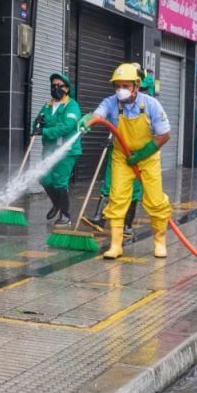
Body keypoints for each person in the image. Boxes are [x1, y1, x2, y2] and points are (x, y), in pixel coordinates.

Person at [83, 62, 173, 259]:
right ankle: (116, 245)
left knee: (155, 200)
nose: (120, 90)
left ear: (136, 86)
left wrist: (141, 155)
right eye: (117, 86)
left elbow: (164, 135)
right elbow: (99, 113)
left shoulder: (151, 104)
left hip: (147, 157)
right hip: (122, 156)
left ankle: (159, 241)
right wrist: (89, 120)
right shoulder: (111, 103)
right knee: (117, 198)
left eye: (125, 86)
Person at [33, 72, 83, 226]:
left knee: (60, 183)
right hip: (49, 149)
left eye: (59, 86)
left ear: (67, 89)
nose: (56, 88)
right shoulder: (47, 105)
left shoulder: (72, 105)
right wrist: (37, 125)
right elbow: (37, 122)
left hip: (66, 151)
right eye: (53, 86)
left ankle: (65, 215)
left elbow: (66, 126)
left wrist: (45, 131)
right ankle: (57, 203)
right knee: (44, 177)